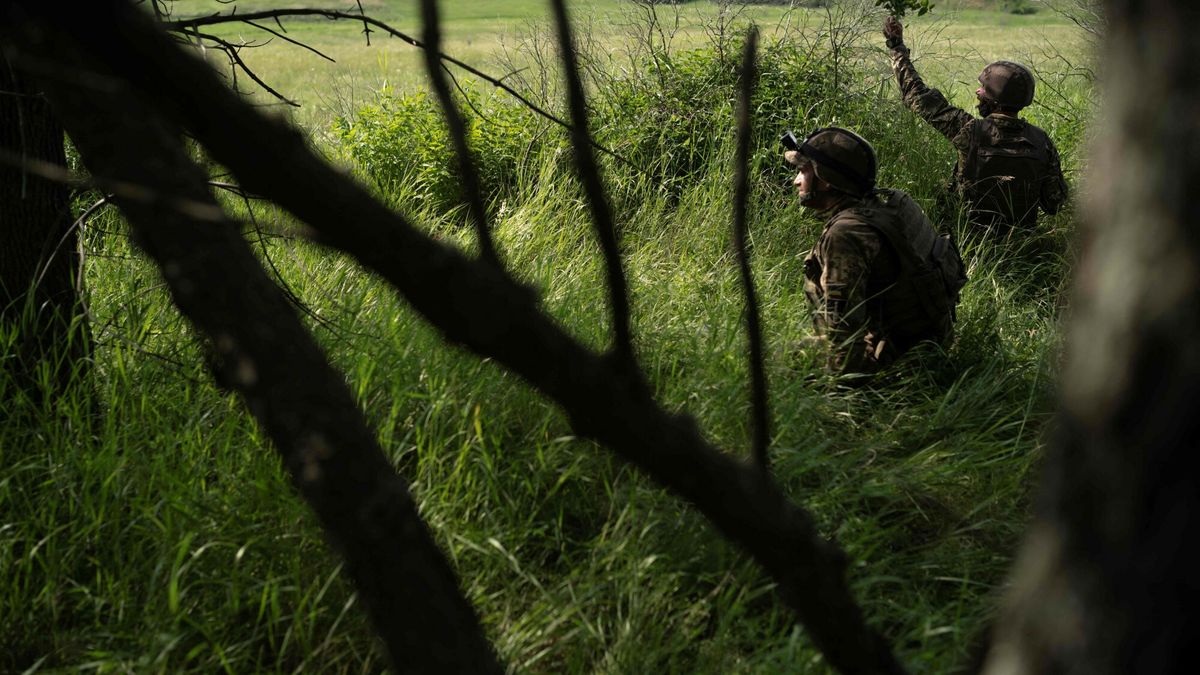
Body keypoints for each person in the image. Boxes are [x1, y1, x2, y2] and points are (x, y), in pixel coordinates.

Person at [784, 127, 964, 376]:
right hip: (928, 347)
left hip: (897, 366)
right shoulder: (890, 205)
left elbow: (843, 333)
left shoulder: (846, 235)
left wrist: (842, 390)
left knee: (775, 362)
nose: (796, 180)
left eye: (803, 171)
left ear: (825, 180)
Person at [883, 16, 1068, 234]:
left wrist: (896, 46)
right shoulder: (1040, 141)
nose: (977, 91)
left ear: (995, 100)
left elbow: (916, 96)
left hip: (968, 237)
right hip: (1021, 245)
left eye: (983, 89)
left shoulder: (969, 130)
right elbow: (1053, 203)